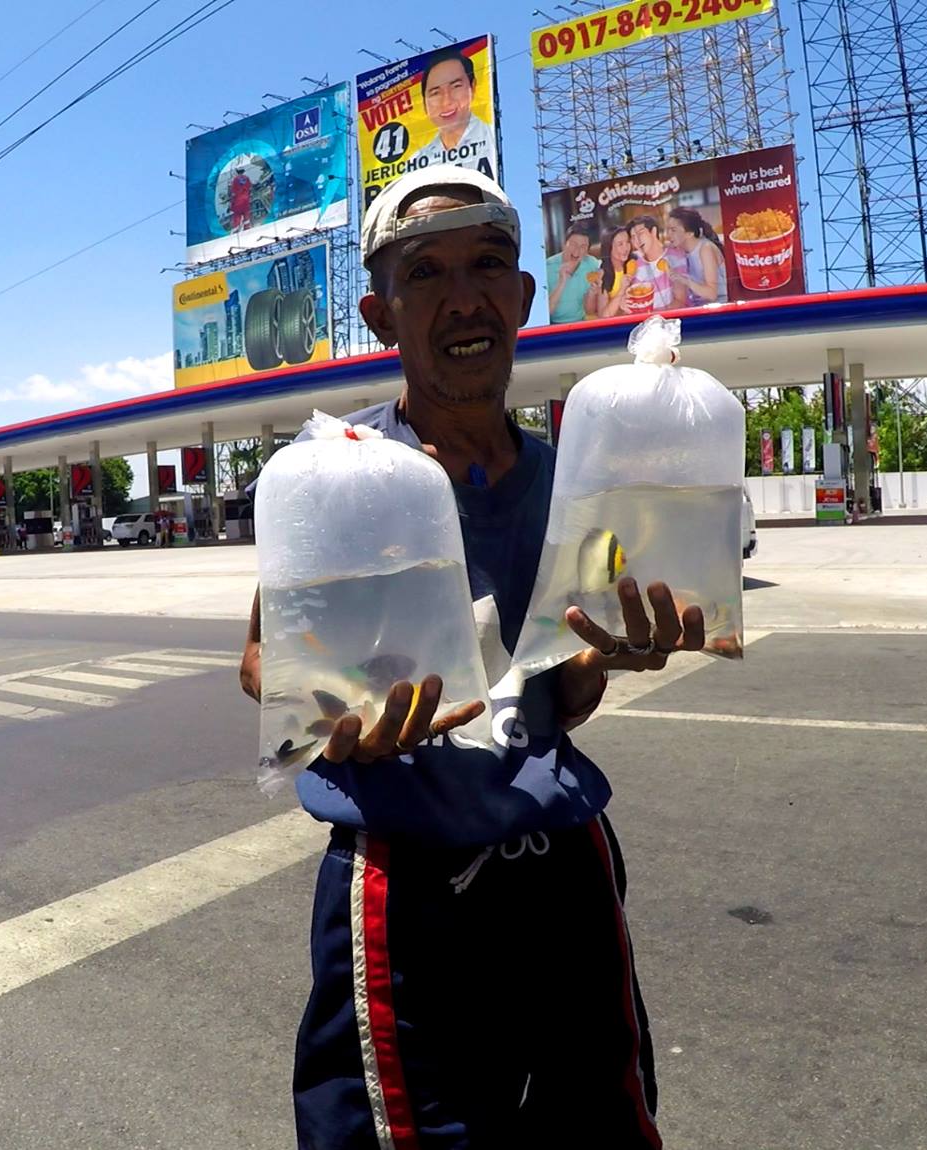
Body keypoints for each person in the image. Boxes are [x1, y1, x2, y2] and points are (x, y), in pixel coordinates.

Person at [241, 164, 700, 1149]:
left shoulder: (566, 480)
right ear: (381, 311)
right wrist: (330, 711)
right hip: (407, 893)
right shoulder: (336, 481)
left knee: (605, 1127)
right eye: (426, 272)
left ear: (522, 298)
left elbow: (554, 695)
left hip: (564, 871)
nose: (463, 297)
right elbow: (262, 660)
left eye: (488, 264)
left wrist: (611, 655)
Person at [415, 47, 492, 176]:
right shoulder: (416, 163)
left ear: (472, 88)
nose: (446, 101)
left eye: (456, 86)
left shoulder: (490, 141)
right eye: (435, 93)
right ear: (424, 103)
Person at [664, 207, 725, 307]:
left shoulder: (705, 249)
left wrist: (685, 281)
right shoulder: (680, 248)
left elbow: (712, 294)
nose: (668, 235)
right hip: (698, 307)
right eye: (667, 229)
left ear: (689, 233)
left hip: (720, 307)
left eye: (673, 230)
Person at [544, 219, 603, 324]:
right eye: (573, 244)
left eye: (583, 247)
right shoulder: (547, 267)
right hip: (554, 325)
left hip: (581, 322)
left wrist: (592, 293)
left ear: (587, 251)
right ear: (564, 245)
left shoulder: (591, 264)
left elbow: (589, 310)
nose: (577, 250)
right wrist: (562, 282)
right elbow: (547, 312)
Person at [622, 215, 676, 314]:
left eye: (640, 234)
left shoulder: (674, 255)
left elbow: (681, 302)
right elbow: (635, 302)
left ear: (653, 232)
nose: (637, 241)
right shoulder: (634, 263)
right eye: (633, 237)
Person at [590, 226, 635, 319]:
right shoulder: (603, 274)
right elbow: (603, 315)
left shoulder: (634, 263)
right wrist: (622, 290)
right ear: (609, 248)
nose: (626, 248)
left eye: (628, 242)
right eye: (620, 244)